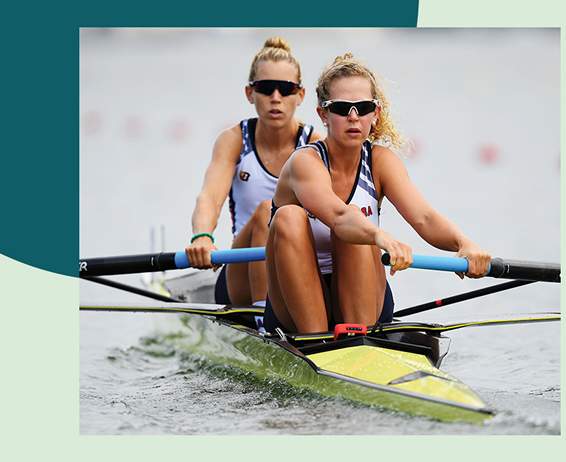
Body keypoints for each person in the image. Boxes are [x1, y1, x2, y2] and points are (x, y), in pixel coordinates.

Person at [265, 53, 491, 334]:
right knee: (291, 216)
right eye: (341, 108)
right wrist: (378, 236)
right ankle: (316, 342)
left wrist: (464, 244)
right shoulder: (304, 162)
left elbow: (424, 217)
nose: (353, 117)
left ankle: (357, 343)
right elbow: (338, 216)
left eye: (362, 107)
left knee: (356, 230)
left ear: (376, 113)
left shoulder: (381, 161)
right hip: (294, 304)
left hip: (363, 297)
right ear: (323, 114)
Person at [186, 37, 322, 307]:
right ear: (250, 93)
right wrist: (202, 236)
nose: (275, 98)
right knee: (266, 212)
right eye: (265, 88)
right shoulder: (234, 140)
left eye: (285, 89)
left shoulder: (314, 145)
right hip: (242, 273)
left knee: (279, 215)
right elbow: (210, 198)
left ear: (300, 95)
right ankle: (262, 317)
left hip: (299, 268)